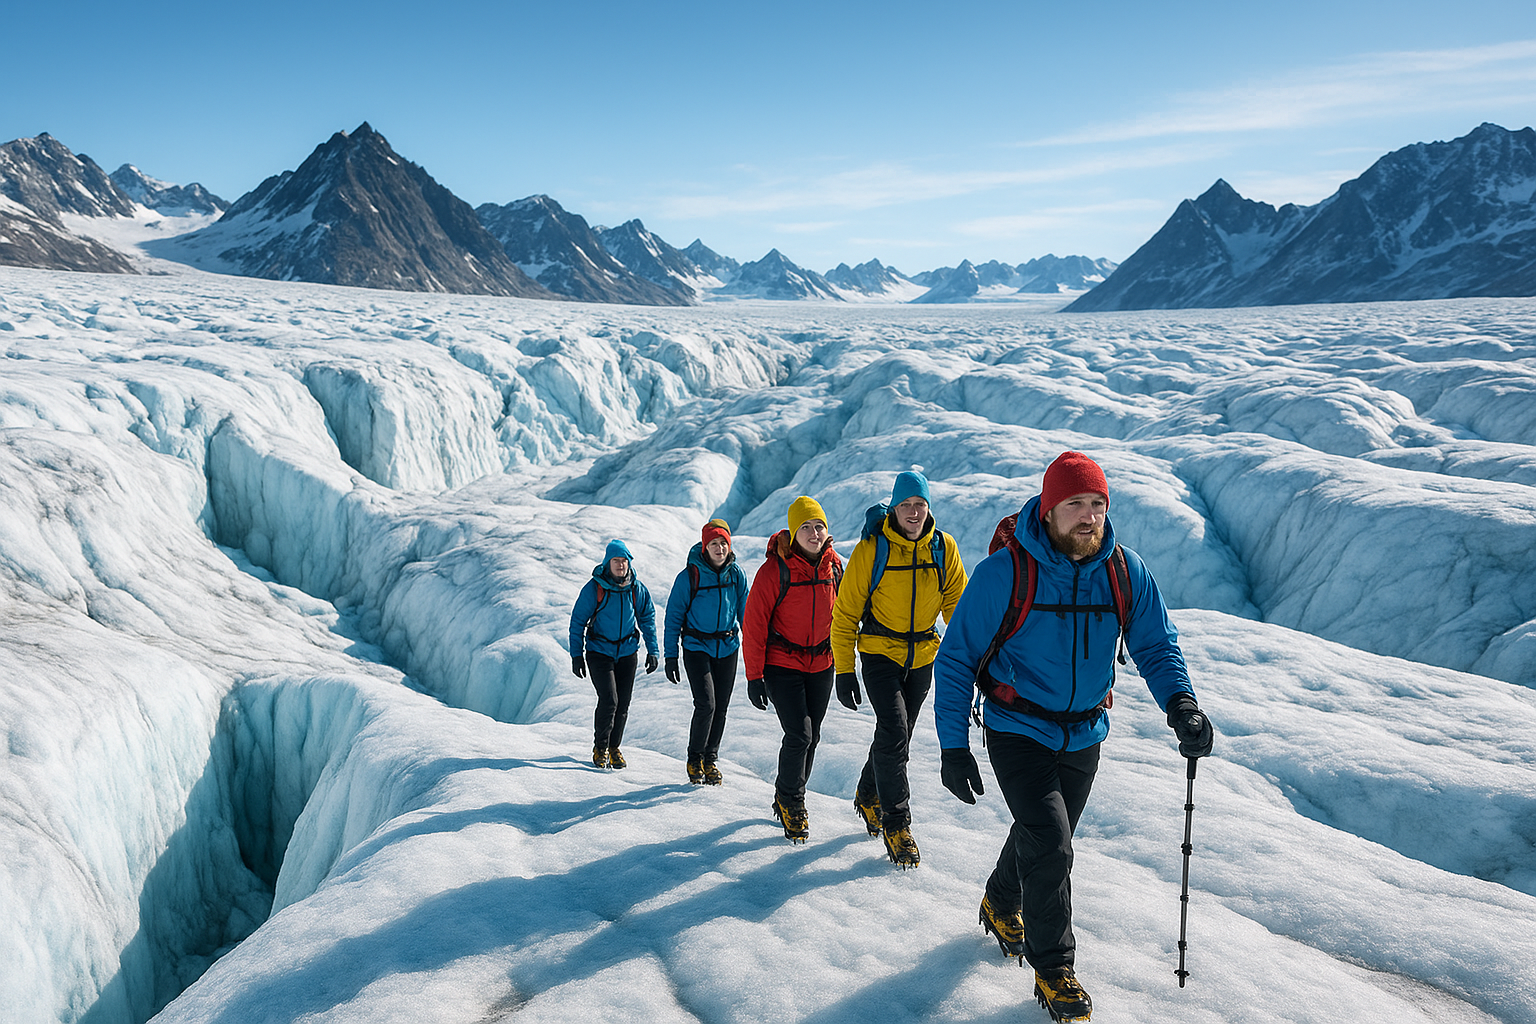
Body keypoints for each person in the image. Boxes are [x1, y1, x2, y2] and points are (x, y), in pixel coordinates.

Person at [932, 452, 1213, 1023]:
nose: (1088, 517)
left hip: (1086, 732)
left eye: (1097, 505)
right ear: (1049, 508)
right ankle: (1054, 967)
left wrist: (1181, 703)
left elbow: (1156, 645)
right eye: (1075, 505)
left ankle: (1000, 900)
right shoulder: (1006, 573)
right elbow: (956, 659)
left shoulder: (1124, 571)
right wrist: (953, 745)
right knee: (1052, 842)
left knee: (1042, 839)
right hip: (1017, 727)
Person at [830, 470, 968, 868]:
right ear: (894, 507)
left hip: (923, 655)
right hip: (878, 652)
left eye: (919, 505)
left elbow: (957, 610)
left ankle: (868, 792)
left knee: (898, 736)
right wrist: (844, 670)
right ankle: (897, 823)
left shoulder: (943, 548)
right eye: (906, 505)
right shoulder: (872, 550)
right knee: (893, 732)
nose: (913, 512)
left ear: (929, 508)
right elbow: (845, 614)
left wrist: (972, 659)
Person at [741, 496, 844, 843]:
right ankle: (791, 801)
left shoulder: (835, 568)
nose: (814, 533)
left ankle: (788, 794)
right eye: (806, 527)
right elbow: (754, 624)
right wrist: (754, 676)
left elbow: (845, 620)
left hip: (822, 663)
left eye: (819, 526)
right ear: (793, 531)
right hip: (782, 663)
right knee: (799, 734)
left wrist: (848, 665)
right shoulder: (775, 570)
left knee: (812, 735)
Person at [664, 518, 750, 785]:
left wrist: (759, 651)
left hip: (727, 647)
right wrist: (670, 655)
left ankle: (710, 759)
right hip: (696, 646)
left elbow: (746, 614)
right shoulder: (690, 576)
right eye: (714, 543)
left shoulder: (736, 575)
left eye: (723, 542)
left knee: (721, 707)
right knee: (706, 704)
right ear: (705, 546)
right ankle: (694, 758)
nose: (719, 548)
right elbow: (674, 616)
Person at [569, 539, 659, 770]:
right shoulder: (595, 588)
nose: (621, 565)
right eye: (616, 561)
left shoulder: (635, 588)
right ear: (607, 563)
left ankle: (614, 748)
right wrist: (576, 655)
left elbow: (647, 618)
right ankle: (600, 748)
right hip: (599, 652)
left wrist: (653, 650)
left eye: (624, 561)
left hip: (628, 652)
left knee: (623, 704)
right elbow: (578, 621)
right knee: (610, 700)